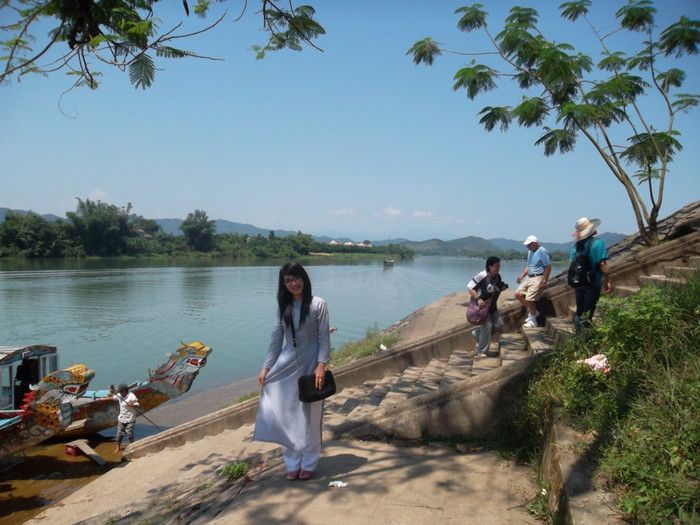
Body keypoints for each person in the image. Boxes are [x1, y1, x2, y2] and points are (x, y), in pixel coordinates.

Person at [254, 262, 331, 481]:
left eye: (297, 278)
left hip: (311, 365)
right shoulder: (283, 309)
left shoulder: (318, 304)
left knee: (311, 415)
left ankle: (308, 462)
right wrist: (266, 368)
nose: (294, 283)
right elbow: (276, 340)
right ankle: (292, 462)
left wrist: (321, 365)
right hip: (287, 364)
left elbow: (324, 336)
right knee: (287, 414)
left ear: (304, 278)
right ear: (283, 285)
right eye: (288, 281)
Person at [570, 217, 612, 332]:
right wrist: (608, 280)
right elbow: (602, 264)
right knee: (588, 312)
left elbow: (572, 264)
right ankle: (584, 336)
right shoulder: (598, 243)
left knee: (579, 311)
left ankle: (577, 334)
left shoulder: (576, 246)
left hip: (578, 282)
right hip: (593, 282)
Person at [467, 256, 506, 358]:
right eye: (496, 266)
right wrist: (478, 299)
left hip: (492, 306)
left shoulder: (497, 277)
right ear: (489, 266)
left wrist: (502, 287)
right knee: (487, 326)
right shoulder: (482, 276)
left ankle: (477, 333)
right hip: (482, 308)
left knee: (499, 324)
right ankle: (481, 351)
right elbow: (470, 287)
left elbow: (496, 288)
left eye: (499, 266)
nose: (498, 268)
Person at [515, 235, 552, 328]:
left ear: (535, 244)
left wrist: (544, 281)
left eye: (529, 244)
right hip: (529, 277)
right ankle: (533, 312)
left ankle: (533, 320)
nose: (527, 246)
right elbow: (529, 266)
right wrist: (521, 276)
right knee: (518, 294)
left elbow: (548, 267)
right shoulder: (530, 252)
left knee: (529, 299)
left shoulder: (542, 251)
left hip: (538, 277)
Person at [112, 383, 139, 453]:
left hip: (130, 419)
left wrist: (131, 405)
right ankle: (118, 448)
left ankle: (133, 446)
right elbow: (113, 397)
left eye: (121, 392)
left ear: (125, 391)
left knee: (129, 433)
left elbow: (137, 405)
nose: (120, 393)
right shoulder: (119, 395)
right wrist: (103, 399)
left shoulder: (132, 396)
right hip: (121, 418)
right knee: (119, 434)